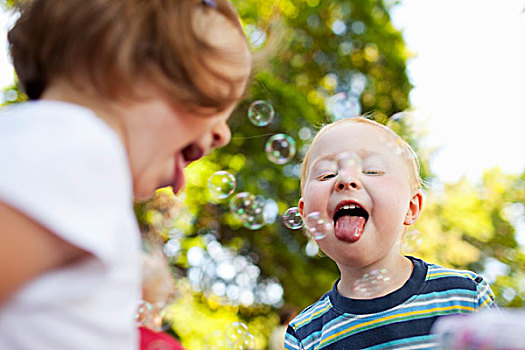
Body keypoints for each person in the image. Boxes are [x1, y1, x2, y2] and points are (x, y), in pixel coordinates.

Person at [0, 0, 251, 348]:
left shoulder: (61, 151)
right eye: (218, 102)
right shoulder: (79, 148)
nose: (223, 133)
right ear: (140, 63)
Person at [284, 117, 496, 349]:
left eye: (372, 170)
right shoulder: (305, 334)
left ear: (410, 207)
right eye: (326, 174)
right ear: (306, 217)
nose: (345, 179)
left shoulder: (465, 295)